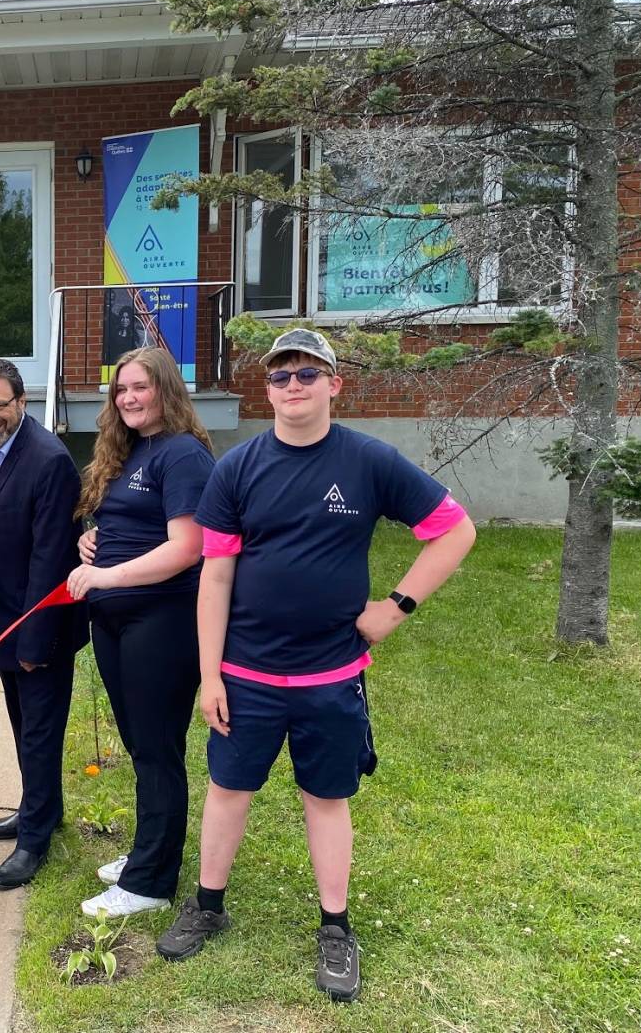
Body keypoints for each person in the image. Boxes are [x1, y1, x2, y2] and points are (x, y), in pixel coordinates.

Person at [156, 328, 476, 1004]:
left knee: (325, 799)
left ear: (335, 384)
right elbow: (214, 577)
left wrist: (393, 608)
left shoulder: (369, 462)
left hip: (331, 676)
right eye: (281, 377)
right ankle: (208, 904)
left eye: (307, 374)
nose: (293, 387)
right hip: (246, 675)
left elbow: (455, 528)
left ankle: (335, 926)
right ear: (266, 389)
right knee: (228, 790)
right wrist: (210, 676)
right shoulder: (236, 470)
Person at [67, 346, 216, 917]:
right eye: (121, 390)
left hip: (162, 618)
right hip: (115, 618)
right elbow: (127, 524)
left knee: (157, 748)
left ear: (166, 392)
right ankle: (147, 853)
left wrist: (105, 574)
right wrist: (92, 542)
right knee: (140, 743)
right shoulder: (129, 452)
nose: (129, 398)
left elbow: (188, 548)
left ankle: (150, 883)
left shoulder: (182, 455)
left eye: (140, 387)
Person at [0, 358, 87, 890]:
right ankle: (41, 808)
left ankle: (34, 840)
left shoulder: (49, 461)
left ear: (22, 402)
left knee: (39, 732)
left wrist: (35, 640)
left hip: (39, 627)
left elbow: (52, 560)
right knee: (21, 724)